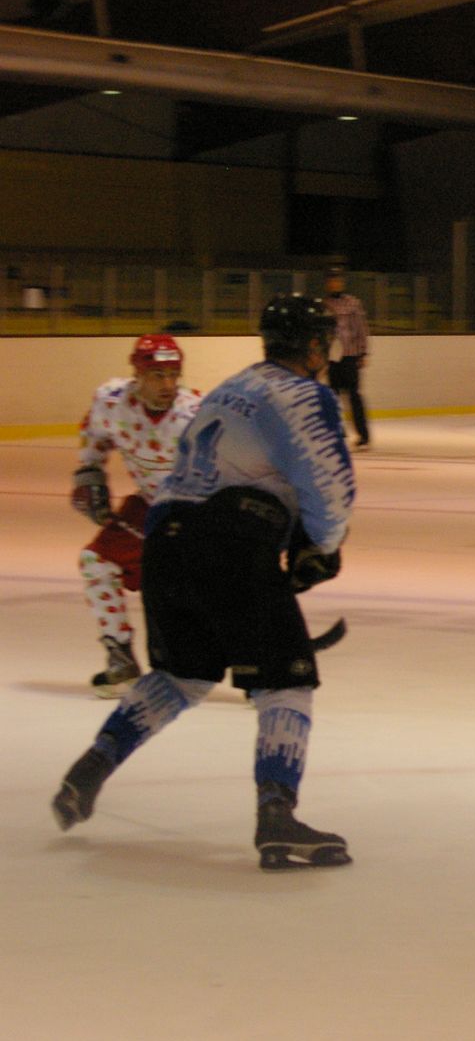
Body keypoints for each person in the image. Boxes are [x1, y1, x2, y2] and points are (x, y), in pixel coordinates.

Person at [51, 293, 357, 871]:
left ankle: (92, 766)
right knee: (286, 684)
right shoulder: (304, 395)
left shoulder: (231, 386)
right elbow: (330, 486)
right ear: (315, 347)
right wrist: (322, 547)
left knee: (181, 676)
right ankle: (276, 814)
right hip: (232, 539)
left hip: (165, 539)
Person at [71, 333, 203, 697]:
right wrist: (89, 473)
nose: (168, 385)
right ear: (138, 375)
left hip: (197, 512)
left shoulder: (195, 413)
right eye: (158, 376)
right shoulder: (111, 401)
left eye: (173, 375)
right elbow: (94, 437)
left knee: (216, 587)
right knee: (96, 562)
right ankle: (120, 658)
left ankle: (261, 666)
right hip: (148, 507)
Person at [323, 264, 373, 449]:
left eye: (337, 280)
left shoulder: (353, 303)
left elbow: (361, 328)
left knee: (354, 396)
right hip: (332, 358)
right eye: (331, 280)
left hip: (350, 356)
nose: (335, 283)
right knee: (333, 397)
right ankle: (337, 433)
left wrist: (363, 352)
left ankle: (363, 436)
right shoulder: (324, 305)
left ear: (342, 282)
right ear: (327, 283)